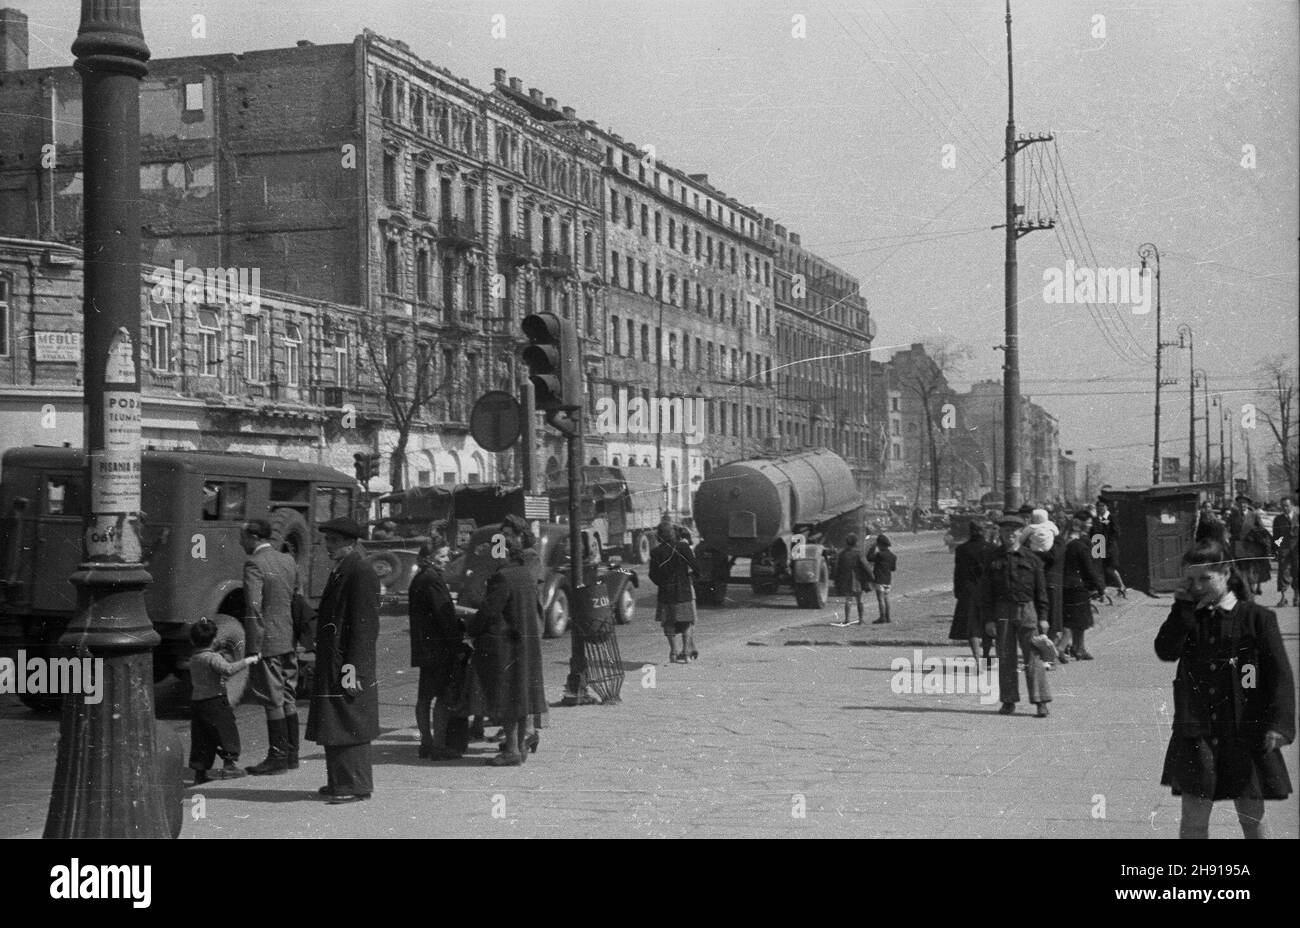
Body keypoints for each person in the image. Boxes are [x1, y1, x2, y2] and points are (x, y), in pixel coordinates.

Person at [1155, 540, 1295, 838]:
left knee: (1252, 818)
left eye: (1205, 578)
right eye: (1190, 580)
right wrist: (1182, 608)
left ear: (1226, 573)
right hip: (1197, 733)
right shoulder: (1190, 617)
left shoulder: (1257, 618)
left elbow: (1280, 677)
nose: (1197, 586)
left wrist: (1280, 725)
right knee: (1193, 819)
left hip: (1246, 732)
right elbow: (1166, 650)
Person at [306, 517, 380, 804]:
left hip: (347, 663)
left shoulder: (360, 570)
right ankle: (339, 781)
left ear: (351, 542)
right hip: (335, 660)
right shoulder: (344, 569)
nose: (328, 546)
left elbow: (364, 627)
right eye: (327, 540)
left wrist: (355, 670)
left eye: (334, 541)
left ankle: (355, 785)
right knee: (335, 721)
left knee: (349, 721)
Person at [466, 515, 546, 765]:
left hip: (507, 644)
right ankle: (520, 746)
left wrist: (472, 629)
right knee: (521, 696)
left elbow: (490, 611)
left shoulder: (505, 576)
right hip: (525, 639)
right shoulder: (523, 573)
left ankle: (511, 749)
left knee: (509, 698)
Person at [239, 519, 302, 776]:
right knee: (288, 695)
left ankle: (277, 757)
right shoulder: (287, 560)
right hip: (288, 637)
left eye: (242, 537)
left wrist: (253, 647)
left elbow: (254, 608)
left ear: (253, 537)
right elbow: (296, 597)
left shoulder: (254, 564)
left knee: (272, 698)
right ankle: (292, 754)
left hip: (268, 641)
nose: (240, 542)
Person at [978, 515, 1052, 718]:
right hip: (1001, 611)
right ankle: (1008, 700)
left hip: (1027, 609)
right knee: (1006, 657)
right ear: (1000, 533)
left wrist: (1044, 616)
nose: (1010, 534)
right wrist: (989, 619)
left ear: (1021, 533)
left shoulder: (1032, 558)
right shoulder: (992, 558)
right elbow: (986, 592)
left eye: (1014, 531)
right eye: (1005, 531)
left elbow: (1041, 590)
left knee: (1034, 656)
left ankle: (1040, 702)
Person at [408, 535, 462, 759]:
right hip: (439, 648)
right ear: (430, 557)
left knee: (424, 697)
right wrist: (458, 638)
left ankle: (426, 742)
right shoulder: (433, 579)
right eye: (442, 555)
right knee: (442, 697)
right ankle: (438, 746)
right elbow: (444, 614)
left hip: (423, 646)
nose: (447, 559)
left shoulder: (419, 577)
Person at [188, 617, 259, 784]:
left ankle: (200, 772)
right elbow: (228, 670)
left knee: (202, 738)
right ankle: (229, 765)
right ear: (214, 640)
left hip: (198, 702)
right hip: (215, 700)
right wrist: (248, 660)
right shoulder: (212, 658)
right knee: (227, 731)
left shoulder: (194, 658)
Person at [649, 520, 700, 661]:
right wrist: (692, 576)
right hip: (683, 590)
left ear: (659, 536)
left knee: (669, 623)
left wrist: (661, 583)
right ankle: (686, 651)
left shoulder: (656, 552)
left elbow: (653, 575)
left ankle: (673, 652)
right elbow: (696, 567)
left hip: (665, 593)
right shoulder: (683, 547)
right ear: (673, 534)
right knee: (687, 621)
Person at [1060, 510, 1107, 661]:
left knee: (1076, 619)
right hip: (1079, 584)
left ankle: (1077, 648)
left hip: (1067, 583)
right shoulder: (1083, 543)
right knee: (1078, 620)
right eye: (1088, 522)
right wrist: (1100, 586)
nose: (1091, 524)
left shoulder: (1064, 540)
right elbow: (1094, 565)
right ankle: (1069, 648)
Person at [949, 520, 993, 666]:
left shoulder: (962, 549)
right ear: (984, 531)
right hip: (988, 591)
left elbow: (958, 573)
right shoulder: (993, 548)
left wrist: (957, 591)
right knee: (988, 623)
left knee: (973, 627)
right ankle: (986, 655)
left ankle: (977, 658)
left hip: (968, 591)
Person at [832, 533, 874, 626]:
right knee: (860, 600)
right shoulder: (858, 553)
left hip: (846, 579)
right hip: (858, 580)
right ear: (856, 543)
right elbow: (866, 566)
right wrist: (872, 577)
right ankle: (861, 619)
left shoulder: (842, 554)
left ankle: (847, 619)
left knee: (848, 600)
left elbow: (837, 568)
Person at [1234, 496, 1271, 596]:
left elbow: (1261, 529)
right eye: (1240, 503)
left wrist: (1255, 534)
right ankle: (1247, 587)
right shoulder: (1234, 515)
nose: (1242, 505)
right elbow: (1229, 529)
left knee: (1251, 567)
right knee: (1241, 568)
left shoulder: (1254, 515)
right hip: (1238, 546)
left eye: (1244, 503)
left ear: (1248, 504)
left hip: (1251, 545)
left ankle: (1252, 587)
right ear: (1237, 505)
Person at [1092, 499, 1127, 597]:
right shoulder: (1095, 519)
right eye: (1098, 506)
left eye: (1102, 506)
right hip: (1097, 546)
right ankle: (1102, 590)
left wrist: (1107, 542)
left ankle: (1121, 586)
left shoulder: (1111, 518)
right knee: (1098, 569)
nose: (1100, 508)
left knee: (1110, 568)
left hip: (1109, 548)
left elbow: (1116, 533)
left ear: (1106, 507)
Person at [1273, 496, 1298, 606]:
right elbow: (1276, 536)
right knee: (1283, 573)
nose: (1284, 508)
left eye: (1287, 506)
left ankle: (1296, 598)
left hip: (1297, 550)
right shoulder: (1278, 519)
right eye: (1282, 506)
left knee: (1297, 573)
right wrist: (1277, 548)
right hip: (1284, 549)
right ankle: (1283, 598)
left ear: (1292, 505)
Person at [867, 534, 896, 623]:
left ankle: (882, 617)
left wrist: (872, 549)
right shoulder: (893, 556)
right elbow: (893, 569)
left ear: (880, 544)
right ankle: (888, 617)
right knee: (886, 599)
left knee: (880, 599)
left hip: (879, 580)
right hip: (888, 580)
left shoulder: (879, 555)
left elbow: (869, 558)